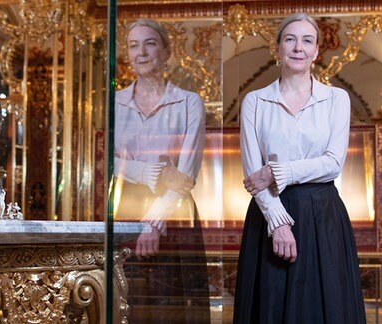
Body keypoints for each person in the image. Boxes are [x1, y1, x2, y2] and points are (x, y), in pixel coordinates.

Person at [233, 12, 366, 324]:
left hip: (322, 215)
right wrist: (278, 223)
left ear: (317, 51)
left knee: (324, 308)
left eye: (307, 40)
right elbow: (255, 174)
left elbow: (333, 164)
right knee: (270, 307)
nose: (298, 47)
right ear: (276, 48)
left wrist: (276, 171)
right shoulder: (254, 101)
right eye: (290, 39)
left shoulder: (337, 99)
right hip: (268, 212)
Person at [113, 18, 210, 323]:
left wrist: (154, 223)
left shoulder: (189, 103)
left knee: (173, 308)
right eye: (133, 45)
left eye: (150, 43)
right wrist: (155, 173)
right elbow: (106, 164)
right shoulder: (112, 104)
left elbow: (185, 174)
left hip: (175, 211)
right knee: (127, 304)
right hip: (124, 207)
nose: (141, 52)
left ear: (167, 51)